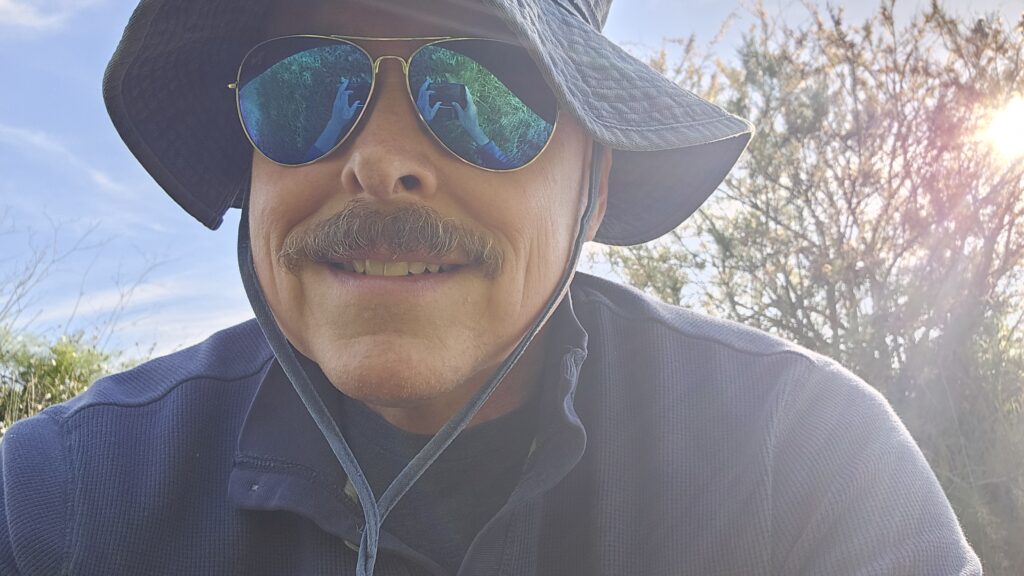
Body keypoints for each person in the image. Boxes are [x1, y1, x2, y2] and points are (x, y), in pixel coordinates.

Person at [0, 0, 982, 574]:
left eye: (482, 93)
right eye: (303, 89)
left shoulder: (800, 468)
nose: (380, 161)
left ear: (593, 188)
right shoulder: (68, 496)